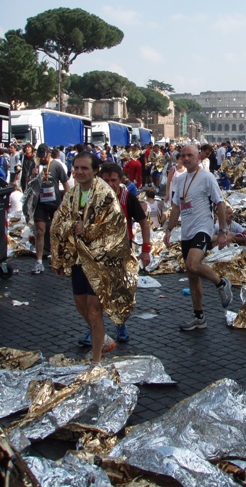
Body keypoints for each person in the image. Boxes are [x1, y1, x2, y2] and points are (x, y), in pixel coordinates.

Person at [50, 152, 138, 365]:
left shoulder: (106, 194)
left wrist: (88, 229)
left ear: (95, 171)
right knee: (81, 306)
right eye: (77, 168)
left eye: (85, 168)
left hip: (101, 260)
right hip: (80, 259)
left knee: (93, 309)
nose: (79, 172)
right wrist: (60, 258)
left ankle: (96, 360)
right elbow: (58, 222)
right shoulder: (71, 195)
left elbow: (115, 226)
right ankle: (103, 339)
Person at [77, 162, 151, 347]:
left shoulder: (127, 197)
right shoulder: (91, 196)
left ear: (120, 180)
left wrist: (146, 249)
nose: (110, 184)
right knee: (96, 293)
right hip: (96, 250)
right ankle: (95, 330)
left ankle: (120, 325)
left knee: (118, 292)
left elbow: (144, 222)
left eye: (113, 180)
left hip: (120, 250)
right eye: (106, 180)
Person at [163, 144, 233, 331]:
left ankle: (221, 283)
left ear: (198, 157)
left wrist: (223, 232)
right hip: (187, 230)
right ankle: (199, 316)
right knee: (192, 275)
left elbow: (219, 202)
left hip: (203, 228)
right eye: (183, 155)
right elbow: (177, 207)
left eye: (190, 155)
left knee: (193, 264)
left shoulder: (207, 177)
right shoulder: (182, 179)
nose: (186, 158)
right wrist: (169, 230)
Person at [28, 143, 70, 275]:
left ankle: (57, 256)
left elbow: (65, 183)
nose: (42, 159)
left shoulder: (57, 166)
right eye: (40, 157)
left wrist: (68, 201)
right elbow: (28, 184)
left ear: (49, 154)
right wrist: (33, 175)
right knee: (40, 231)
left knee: (56, 230)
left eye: (44, 156)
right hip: (40, 203)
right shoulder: (36, 165)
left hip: (54, 202)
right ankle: (39, 262)